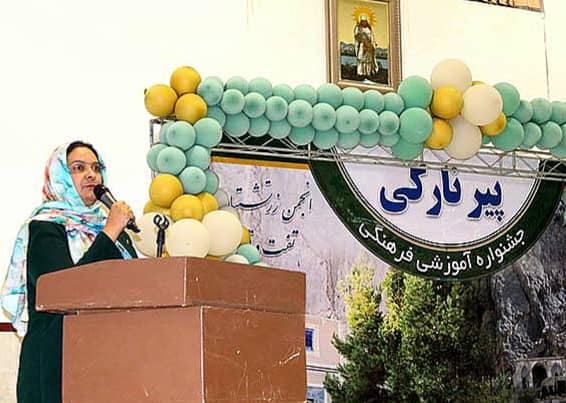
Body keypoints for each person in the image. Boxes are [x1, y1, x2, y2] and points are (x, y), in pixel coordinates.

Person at [1, 141, 138, 403]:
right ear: (60, 175)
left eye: (96, 168)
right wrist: (109, 233)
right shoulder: (45, 227)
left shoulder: (113, 231)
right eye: (78, 168)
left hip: (105, 360)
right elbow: (64, 291)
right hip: (55, 363)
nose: (91, 175)